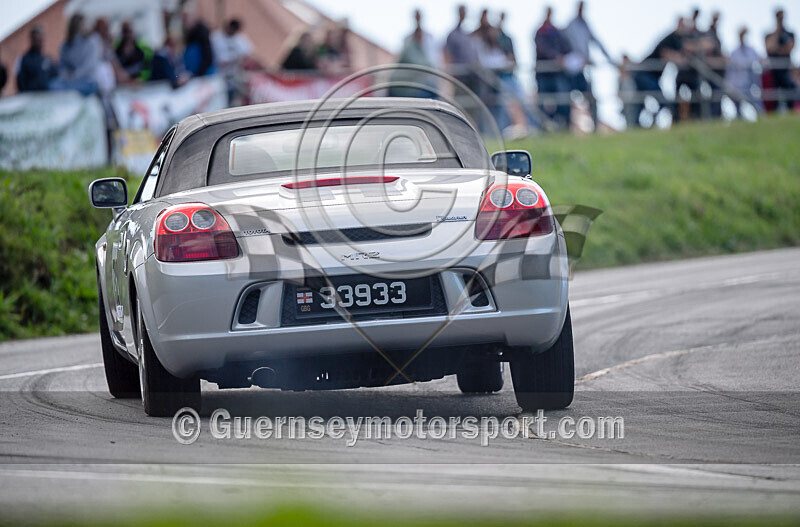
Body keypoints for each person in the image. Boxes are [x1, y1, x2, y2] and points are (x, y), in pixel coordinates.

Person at [563, 1, 612, 129]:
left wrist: (610, 60)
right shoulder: (570, 26)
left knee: (590, 98)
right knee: (567, 100)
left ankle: (595, 127)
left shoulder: (585, 25)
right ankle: (567, 127)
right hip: (569, 70)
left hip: (581, 70)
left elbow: (597, 42)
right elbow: (567, 46)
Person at [633, 17, 688, 125]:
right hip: (644, 74)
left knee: (645, 102)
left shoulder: (678, 40)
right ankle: (651, 123)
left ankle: (645, 124)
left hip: (650, 75)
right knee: (661, 101)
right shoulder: (671, 38)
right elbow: (666, 53)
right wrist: (681, 60)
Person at [534, 6, 572, 128]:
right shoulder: (540, 32)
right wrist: (556, 57)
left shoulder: (557, 32)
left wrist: (562, 57)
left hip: (557, 74)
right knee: (543, 102)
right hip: (544, 74)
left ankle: (563, 125)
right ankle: (543, 126)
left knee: (562, 101)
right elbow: (542, 49)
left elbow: (567, 47)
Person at [389, 10, 438, 99]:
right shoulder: (409, 45)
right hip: (403, 87)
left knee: (433, 91)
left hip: (413, 85)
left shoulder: (424, 42)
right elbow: (423, 64)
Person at [52, 13, 101, 95]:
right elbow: (62, 65)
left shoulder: (93, 41)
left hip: (87, 81)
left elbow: (89, 66)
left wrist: (73, 75)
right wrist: (66, 74)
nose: (82, 27)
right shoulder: (66, 45)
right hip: (69, 81)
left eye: (83, 24)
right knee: (53, 85)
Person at [212, 18, 253, 105]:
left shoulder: (240, 39)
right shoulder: (216, 37)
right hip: (218, 75)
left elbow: (249, 54)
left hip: (234, 76)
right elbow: (220, 61)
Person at [765, 8, 797, 111]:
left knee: (790, 95)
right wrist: (777, 30)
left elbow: (790, 48)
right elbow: (769, 48)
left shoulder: (790, 34)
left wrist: (777, 50)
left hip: (787, 70)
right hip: (774, 71)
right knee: (774, 97)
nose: (781, 19)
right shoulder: (769, 35)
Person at [727, 27, 763, 116]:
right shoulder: (734, 52)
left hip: (751, 83)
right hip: (737, 84)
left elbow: (759, 60)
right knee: (738, 107)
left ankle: (761, 116)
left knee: (756, 103)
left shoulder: (751, 50)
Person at [444, 5, 478, 93]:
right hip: (459, 77)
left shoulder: (467, 35)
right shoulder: (452, 35)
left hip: (471, 76)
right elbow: (447, 56)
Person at [16, 25, 56, 92]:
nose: (40, 43)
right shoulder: (24, 60)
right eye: (37, 40)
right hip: (32, 98)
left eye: (41, 40)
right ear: (32, 39)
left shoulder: (47, 60)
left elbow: (55, 77)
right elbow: (21, 84)